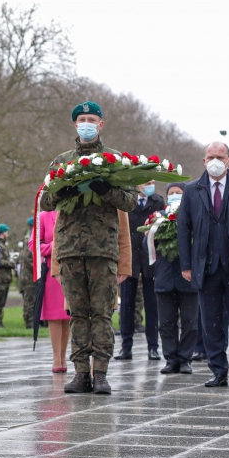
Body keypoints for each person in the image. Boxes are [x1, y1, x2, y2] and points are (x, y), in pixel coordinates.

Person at [41, 102, 138, 395]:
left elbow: (130, 202)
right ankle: (81, 373)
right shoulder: (62, 161)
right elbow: (45, 202)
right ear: (75, 124)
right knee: (78, 314)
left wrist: (106, 190)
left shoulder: (115, 161)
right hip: (70, 250)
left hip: (102, 250)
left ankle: (101, 374)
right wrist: (62, 191)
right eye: (82, 119)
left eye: (91, 119)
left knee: (103, 314)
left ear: (101, 124)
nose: (86, 123)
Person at [177, 141, 229, 388]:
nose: (215, 161)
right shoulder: (192, 190)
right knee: (211, 323)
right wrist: (186, 265)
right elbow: (183, 228)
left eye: (220, 157)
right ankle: (218, 370)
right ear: (204, 160)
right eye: (211, 156)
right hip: (206, 267)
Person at [115, 181, 164, 360]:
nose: (150, 185)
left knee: (152, 305)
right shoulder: (127, 201)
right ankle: (126, 346)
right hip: (130, 259)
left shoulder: (158, 201)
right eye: (146, 182)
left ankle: (153, 347)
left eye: (152, 182)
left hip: (150, 258)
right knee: (127, 305)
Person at [154, 183, 197, 374]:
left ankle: (186, 358)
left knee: (190, 322)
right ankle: (171, 359)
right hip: (164, 278)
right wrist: (150, 234)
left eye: (178, 193)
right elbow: (148, 246)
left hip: (188, 279)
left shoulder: (194, 217)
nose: (174, 196)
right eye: (171, 193)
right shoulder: (158, 219)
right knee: (166, 322)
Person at [33, 211, 71, 372]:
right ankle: (56, 357)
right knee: (54, 315)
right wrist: (53, 247)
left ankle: (63, 355)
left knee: (68, 314)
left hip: (71, 268)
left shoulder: (73, 212)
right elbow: (33, 245)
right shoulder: (44, 216)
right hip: (51, 271)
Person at [0, 223, 15, 327]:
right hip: (0, 278)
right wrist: (11, 264)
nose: (7, 234)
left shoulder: (2, 245)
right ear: (3, 233)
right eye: (6, 232)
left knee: (1, 302)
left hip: (5, 278)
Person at [18, 217, 37, 328]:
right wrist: (39, 268)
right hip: (29, 276)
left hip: (31, 275)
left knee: (33, 299)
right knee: (29, 300)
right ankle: (29, 322)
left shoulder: (31, 236)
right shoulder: (29, 238)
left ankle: (35, 321)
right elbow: (28, 258)